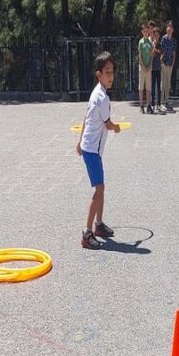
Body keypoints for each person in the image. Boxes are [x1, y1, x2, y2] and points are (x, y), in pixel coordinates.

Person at [76, 51, 122, 249]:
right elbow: (108, 123)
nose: (110, 76)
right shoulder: (102, 97)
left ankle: (99, 225)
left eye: (112, 71)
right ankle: (87, 233)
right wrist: (117, 127)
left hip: (91, 147)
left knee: (101, 187)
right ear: (99, 74)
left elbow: (86, 117)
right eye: (107, 72)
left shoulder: (97, 92)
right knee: (99, 189)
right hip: (92, 150)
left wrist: (79, 141)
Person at [159, 20, 177, 112]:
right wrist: (161, 62)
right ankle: (162, 101)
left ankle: (166, 100)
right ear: (166, 29)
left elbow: (174, 53)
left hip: (170, 64)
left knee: (167, 83)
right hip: (164, 63)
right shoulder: (164, 38)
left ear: (173, 29)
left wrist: (173, 64)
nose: (169, 29)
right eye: (168, 27)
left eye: (171, 27)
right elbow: (161, 51)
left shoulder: (173, 40)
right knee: (163, 83)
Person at [138, 23, 153, 113]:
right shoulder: (141, 42)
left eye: (147, 31)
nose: (145, 32)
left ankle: (148, 104)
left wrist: (150, 65)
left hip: (148, 67)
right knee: (141, 87)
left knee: (148, 87)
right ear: (142, 32)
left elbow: (151, 55)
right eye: (144, 31)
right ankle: (141, 105)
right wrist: (143, 66)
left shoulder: (150, 42)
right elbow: (139, 55)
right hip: (142, 67)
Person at [149, 23, 163, 114]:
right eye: (155, 35)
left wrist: (160, 55)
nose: (157, 36)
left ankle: (158, 104)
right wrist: (154, 49)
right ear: (153, 35)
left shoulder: (160, 44)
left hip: (159, 67)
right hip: (152, 68)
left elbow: (161, 54)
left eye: (158, 35)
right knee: (153, 87)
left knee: (159, 87)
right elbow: (151, 55)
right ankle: (153, 104)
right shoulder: (151, 44)